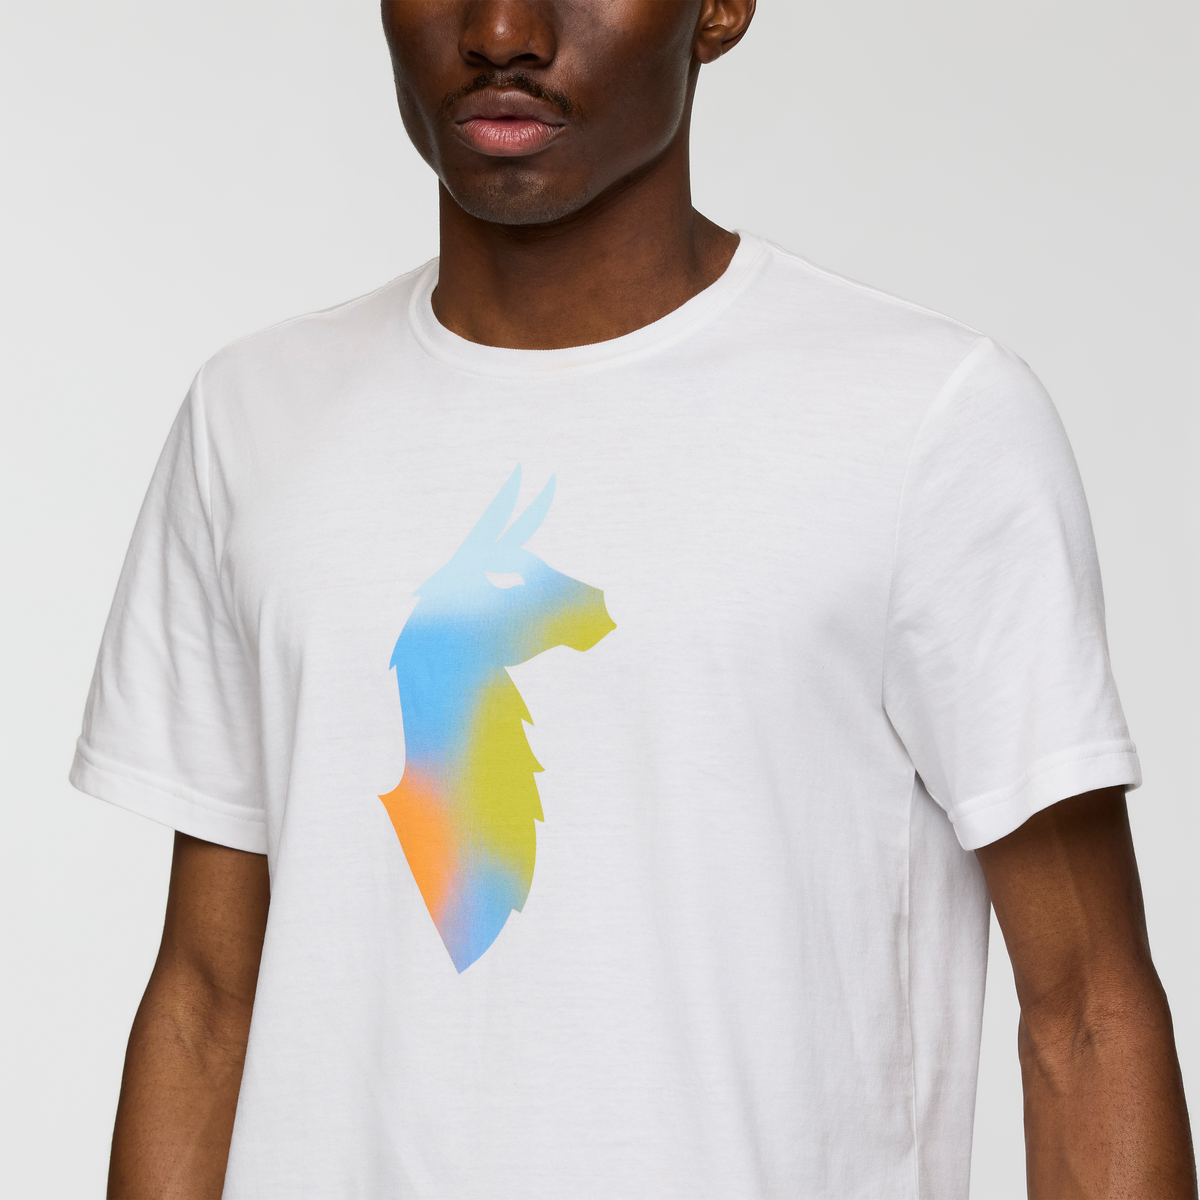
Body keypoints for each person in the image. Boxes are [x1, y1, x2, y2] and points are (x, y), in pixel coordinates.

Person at [71, 2, 1195, 1197]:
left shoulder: (928, 419)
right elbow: (205, 1002)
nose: (502, 29)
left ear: (719, 10)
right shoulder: (257, 419)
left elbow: (1085, 1012)